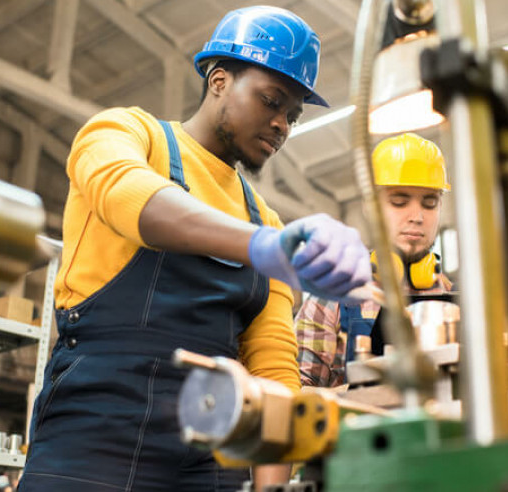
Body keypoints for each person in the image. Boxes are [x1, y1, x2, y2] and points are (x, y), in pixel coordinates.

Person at [19, 6, 370, 492]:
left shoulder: (266, 218)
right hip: (96, 437)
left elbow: (273, 370)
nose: (282, 125)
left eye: (292, 115)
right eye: (271, 101)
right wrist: (261, 246)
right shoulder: (128, 134)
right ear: (219, 80)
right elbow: (129, 195)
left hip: (213, 453)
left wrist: (271, 488)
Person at [295, 133, 453, 388]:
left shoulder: (455, 302)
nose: (417, 216)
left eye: (430, 203)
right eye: (399, 202)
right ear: (370, 208)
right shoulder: (329, 299)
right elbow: (298, 397)